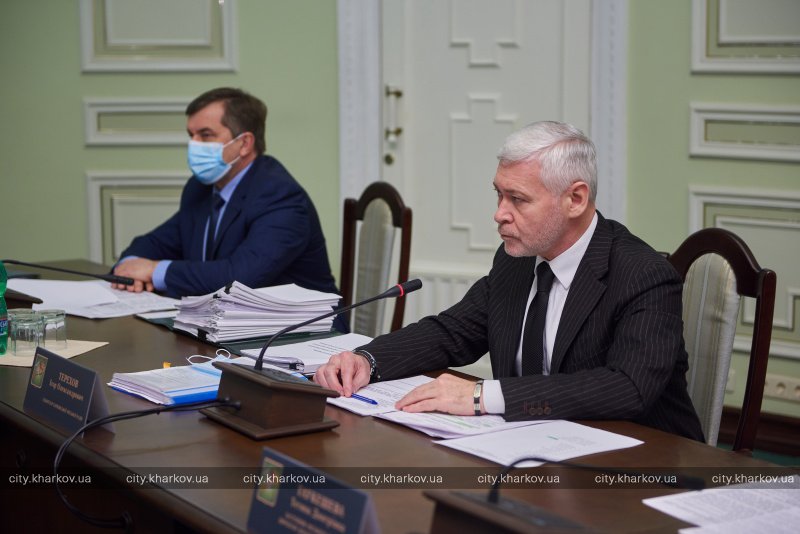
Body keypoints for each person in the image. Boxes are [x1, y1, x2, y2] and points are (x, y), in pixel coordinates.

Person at [315, 121, 704, 441]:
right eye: (499, 195)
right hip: (532, 448)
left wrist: (481, 395)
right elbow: (452, 331)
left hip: (642, 466)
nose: (499, 214)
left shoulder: (642, 275)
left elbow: (627, 387)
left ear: (575, 199)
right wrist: (368, 359)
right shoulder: (516, 260)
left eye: (517, 199)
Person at [112, 87, 340, 302]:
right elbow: (156, 242)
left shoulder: (279, 195)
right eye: (191, 135)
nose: (193, 145)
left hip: (301, 325)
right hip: (227, 320)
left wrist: (154, 271)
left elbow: (240, 277)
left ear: (244, 143)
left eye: (205, 135)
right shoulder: (200, 188)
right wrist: (130, 267)